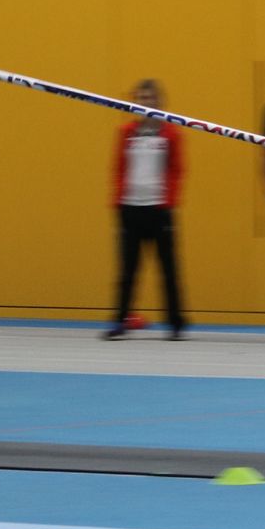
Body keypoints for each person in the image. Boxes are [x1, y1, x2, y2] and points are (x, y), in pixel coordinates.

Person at [104, 79, 187, 340]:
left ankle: (176, 323)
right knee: (127, 270)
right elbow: (119, 167)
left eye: (150, 98)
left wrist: (168, 200)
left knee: (168, 269)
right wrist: (120, 200)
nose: (145, 103)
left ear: (159, 103)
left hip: (159, 209)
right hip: (130, 208)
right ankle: (120, 320)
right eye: (141, 98)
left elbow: (177, 170)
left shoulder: (171, 134)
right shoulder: (126, 132)